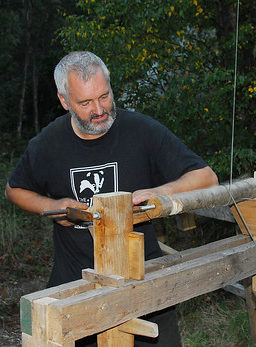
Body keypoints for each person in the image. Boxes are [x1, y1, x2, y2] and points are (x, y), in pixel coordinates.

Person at [5, 51, 218, 346]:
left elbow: (206, 177)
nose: (99, 109)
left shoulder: (140, 130)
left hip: (144, 282)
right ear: (65, 102)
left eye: (104, 96)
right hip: (77, 287)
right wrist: (53, 207)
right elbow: (14, 189)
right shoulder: (48, 143)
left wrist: (158, 193)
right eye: (85, 102)